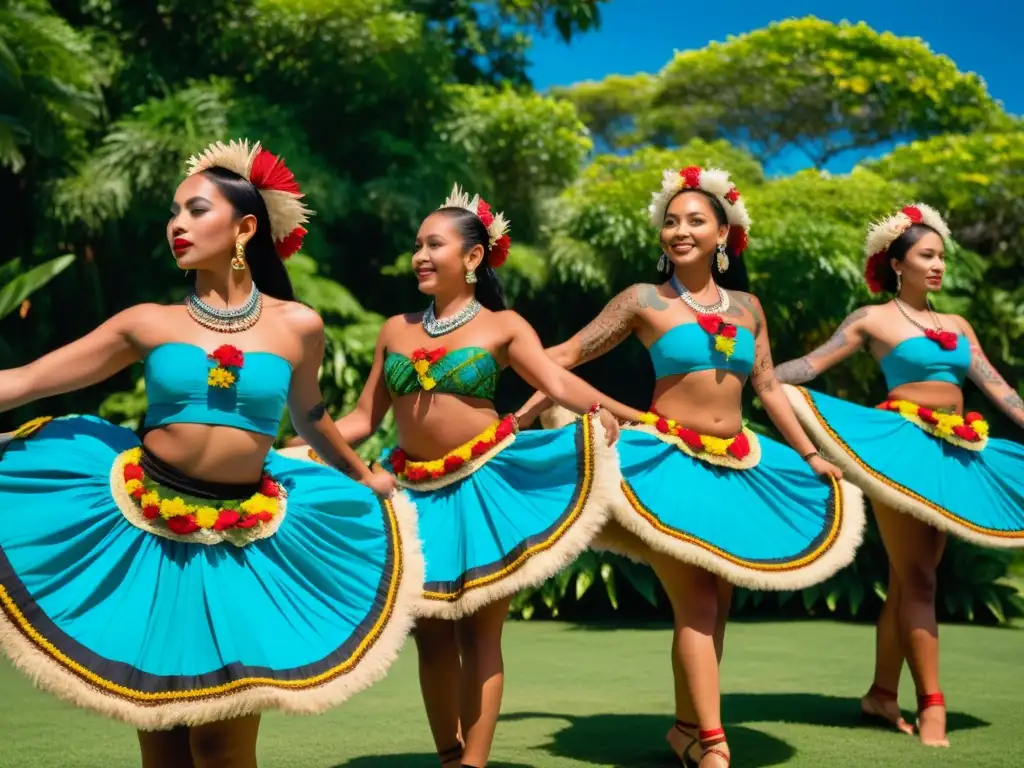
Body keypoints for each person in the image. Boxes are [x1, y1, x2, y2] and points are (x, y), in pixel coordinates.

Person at [0, 139, 422, 768]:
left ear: (245, 227)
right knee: (164, 738)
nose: (177, 225)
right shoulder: (147, 321)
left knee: (223, 743)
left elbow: (311, 417)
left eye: (195, 211)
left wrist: (363, 475)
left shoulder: (298, 326)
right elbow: (29, 379)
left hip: (243, 543)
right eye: (173, 214)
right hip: (147, 533)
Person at [516, 166, 865, 767]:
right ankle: (714, 746)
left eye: (695, 220)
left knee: (715, 607)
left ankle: (685, 729)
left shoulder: (750, 308)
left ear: (724, 234)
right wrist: (519, 414)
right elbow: (563, 358)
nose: (679, 230)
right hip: (665, 462)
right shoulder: (643, 300)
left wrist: (810, 453)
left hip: (737, 466)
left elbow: (767, 388)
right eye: (671, 222)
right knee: (699, 604)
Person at [286, 184, 645, 768]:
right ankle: (450, 756)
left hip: (485, 488)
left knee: (480, 633)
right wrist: (296, 447)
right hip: (414, 493)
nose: (420, 256)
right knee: (429, 634)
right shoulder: (394, 330)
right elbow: (360, 418)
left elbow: (558, 385)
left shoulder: (504, 328)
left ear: (473, 258)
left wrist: (606, 412)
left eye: (435, 244)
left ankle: (473, 765)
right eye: (416, 245)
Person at [775, 203, 1024, 747]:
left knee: (910, 578)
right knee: (920, 578)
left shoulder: (956, 325)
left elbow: (997, 387)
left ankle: (881, 694)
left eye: (941, 256)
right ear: (897, 263)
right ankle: (933, 705)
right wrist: (761, 374)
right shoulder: (872, 318)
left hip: (957, 449)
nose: (938, 265)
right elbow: (813, 366)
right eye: (926, 256)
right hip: (900, 450)